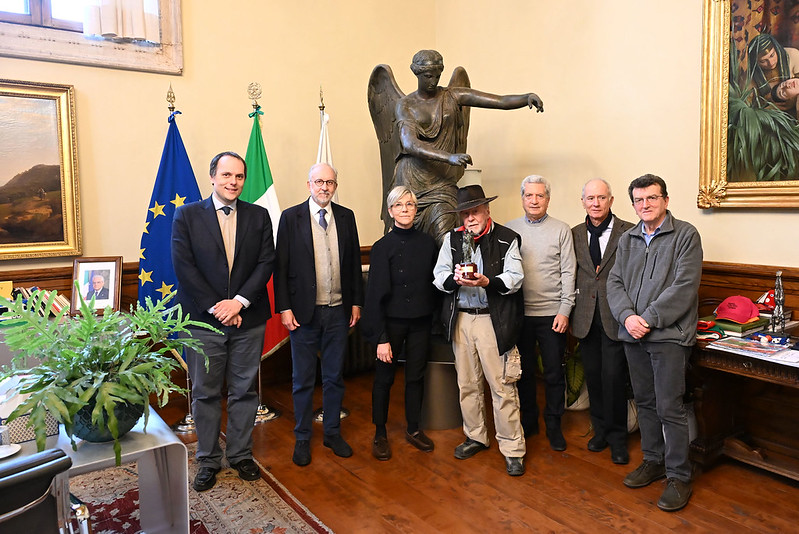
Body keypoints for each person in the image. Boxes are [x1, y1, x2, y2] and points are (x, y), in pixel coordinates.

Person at [172, 151, 275, 492]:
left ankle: (241, 454)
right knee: (204, 392)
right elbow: (184, 267)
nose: (233, 182)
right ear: (212, 177)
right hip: (204, 320)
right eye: (227, 175)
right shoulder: (186, 216)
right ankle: (208, 459)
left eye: (239, 177)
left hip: (248, 317)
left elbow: (265, 262)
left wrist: (239, 302)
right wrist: (218, 307)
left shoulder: (259, 216)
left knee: (245, 391)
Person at [368, 49, 544, 243]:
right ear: (416, 73)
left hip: (441, 181)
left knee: (446, 236)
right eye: (428, 76)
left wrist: (525, 98)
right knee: (411, 241)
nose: (433, 81)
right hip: (413, 178)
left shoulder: (452, 95)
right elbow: (410, 144)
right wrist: (449, 157)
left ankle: (449, 274)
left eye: (437, 76)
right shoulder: (405, 104)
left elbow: (497, 101)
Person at [607, 174, 703, 512]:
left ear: (665, 199)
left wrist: (647, 318)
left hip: (669, 337)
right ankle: (653, 460)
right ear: (632, 203)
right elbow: (614, 282)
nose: (645, 205)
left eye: (652, 198)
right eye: (639, 200)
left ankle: (678, 476)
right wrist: (627, 317)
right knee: (645, 402)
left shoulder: (686, 235)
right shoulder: (628, 238)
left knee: (669, 407)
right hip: (632, 334)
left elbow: (685, 286)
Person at [274, 162, 364, 467]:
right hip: (302, 314)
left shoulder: (347, 217)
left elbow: (352, 264)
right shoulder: (290, 217)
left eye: (330, 182)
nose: (324, 187)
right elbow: (281, 267)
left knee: (334, 377)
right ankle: (302, 437)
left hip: (339, 311)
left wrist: (356, 302)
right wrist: (284, 308)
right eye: (318, 182)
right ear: (308, 184)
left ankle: (332, 433)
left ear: (335, 186)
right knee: (302, 379)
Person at [433, 185, 526, 477]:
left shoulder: (507, 238)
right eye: (465, 212)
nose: (470, 217)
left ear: (487, 210)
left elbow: (515, 278)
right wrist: (453, 278)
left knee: (502, 387)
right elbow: (438, 276)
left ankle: (512, 449)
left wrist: (488, 281)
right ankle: (475, 436)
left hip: (491, 319)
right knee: (467, 384)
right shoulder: (452, 238)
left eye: (475, 211)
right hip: (461, 318)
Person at [361, 186, 438, 461]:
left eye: (410, 204)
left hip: (420, 322)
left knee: (416, 377)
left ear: (416, 210)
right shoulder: (382, 248)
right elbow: (374, 296)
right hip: (390, 325)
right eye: (399, 205)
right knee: (384, 379)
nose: (405, 209)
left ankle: (414, 428)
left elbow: (434, 284)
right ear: (391, 211)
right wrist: (380, 337)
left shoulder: (428, 243)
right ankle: (380, 432)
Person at [506, 175, 576, 451]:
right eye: (529, 195)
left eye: (540, 196)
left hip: (552, 316)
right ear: (522, 198)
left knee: (554, 375)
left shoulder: (561, 230)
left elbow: (569, 272)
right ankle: (529, 422)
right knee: (522, 373)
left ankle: (555, 425)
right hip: (519, 315)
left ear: (548, 199)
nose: (534, 200)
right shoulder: (509, 230)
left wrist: (565, 310)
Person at [570, 178, 634, 465]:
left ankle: (618, 439)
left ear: (611, 200)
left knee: (614, 380)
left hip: (615, 318)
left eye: (601, 198)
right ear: (583, 201)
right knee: (593, 379)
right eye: (590, 198)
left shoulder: (629, 232)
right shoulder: (572, 234)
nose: (595, 203)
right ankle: (601, 431)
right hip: (584, 318)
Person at [747, 33, 799, 111]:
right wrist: (768, 109)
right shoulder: (750, 81)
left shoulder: (792, 55)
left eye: (772, 55)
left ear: (776, 48)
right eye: (763, 61)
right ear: (756, 62)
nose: (771, 63)